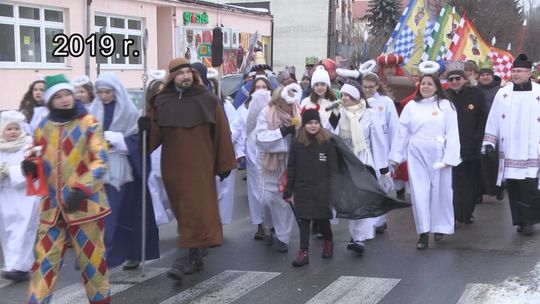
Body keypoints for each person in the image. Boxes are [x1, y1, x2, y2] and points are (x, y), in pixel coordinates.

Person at [141, 57, 236, 281]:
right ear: (173, 77)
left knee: (194, 209)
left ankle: (181, 259)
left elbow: (222, 133)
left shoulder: (208, 99)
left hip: (201, 165)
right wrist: (144, 130)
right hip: (173, 169)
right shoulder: (161, 101)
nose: (185, 76)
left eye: (188, 72)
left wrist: (225, 163)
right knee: (185, 214)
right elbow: (151, 140)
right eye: (180, 73)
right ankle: (195, 257)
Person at [24, 74, 111, 303]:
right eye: (58, 96)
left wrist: (83, 188)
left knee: (92, 265)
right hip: (52, 209)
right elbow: (38, 162)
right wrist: (30, 167)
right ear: (50, 101)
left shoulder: (89, 123)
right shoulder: (43, 128)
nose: (64, 100)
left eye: (67, 94)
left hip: (85, 206)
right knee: (43, 264)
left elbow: (100, 160)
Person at [90, 72, 160, 270]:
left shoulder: (130, 113)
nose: (104, 96)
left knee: (126, 215)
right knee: (103, 217)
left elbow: (139, 142)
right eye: (101, 92)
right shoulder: (92, 113)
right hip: (99, 171)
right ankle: (99, 257)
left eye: (108, 92)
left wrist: (119, 140)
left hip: (125, 171)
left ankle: (133, 253)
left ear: (116, 92)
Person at [389, 74, 461, 250]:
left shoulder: (446, 106)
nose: (426, 87)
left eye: (429, 84)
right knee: (420, 192)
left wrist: (450, 157)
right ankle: (423, 232)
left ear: (437, 87)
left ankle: (440, 226)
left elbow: (453, 132)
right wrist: (396, 157)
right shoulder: (412, 106)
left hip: (439, 153)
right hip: (417, 153)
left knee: (441, 191)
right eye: (423, 84)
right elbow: (402, 132)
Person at [327, 82, 389, 254]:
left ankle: (359, 238)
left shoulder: (369, 114)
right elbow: (330, 135)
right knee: (351, 200)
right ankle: (355, 236)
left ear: (356, 96)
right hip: (346, 161)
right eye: (343, 95)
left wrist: (383, 167)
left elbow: (377, 140)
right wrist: (332, 116)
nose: (344, 98)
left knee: (362, 199)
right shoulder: (340, 114)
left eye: (348, 95)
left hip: (364, 160)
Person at [482, 54, 540, 236]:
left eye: (519, 71)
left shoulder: (538, 92)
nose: (515, 74)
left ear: (528, 72)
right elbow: (493, 118)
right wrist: (489, 142)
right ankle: (520, 221)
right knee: (514, 186)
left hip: (532, 148)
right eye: (513, 71)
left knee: (530, 185)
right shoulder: (503, 93)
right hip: (510, 149)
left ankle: (530, 220)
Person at [284, 109, 339, 267]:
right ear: (304, 125)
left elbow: (333, 169)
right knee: (304, 220)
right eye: (309, 123)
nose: (313, 126)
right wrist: (289, 189)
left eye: (316, 123)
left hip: (323, 188)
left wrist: (333, 189)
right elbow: (292, 167)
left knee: (322, 219)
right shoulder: (297, 145)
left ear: (320, 124)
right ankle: (304, 252)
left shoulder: (327, 144)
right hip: (303, 188)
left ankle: (328, 241)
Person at [255, 83, 303, 253]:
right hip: (270, 163)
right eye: (286, 104)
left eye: (292, 104)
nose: (290, 107)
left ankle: (283, 238)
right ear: (278, 101)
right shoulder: (267, 113)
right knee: (267, 199)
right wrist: (282, 132)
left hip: (290, 162)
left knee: (285, 201)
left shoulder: (298, 112)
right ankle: (268, 227)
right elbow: (260, 138)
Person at [445, 62, 488, 224]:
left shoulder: (476, 95)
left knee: (469, 181)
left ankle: (467, 212)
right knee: (453, 182)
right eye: (451, 79)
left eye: (457, 78)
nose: (454, 81)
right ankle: (455, 212)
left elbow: (483, 118)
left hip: (471, 146)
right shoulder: (444, 96)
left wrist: (477, 138)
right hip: (450, 147)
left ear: (464, 79)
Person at [0, 110, 38, 282]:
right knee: (8, 230)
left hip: (25, 195)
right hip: (5, 194)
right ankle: (14, 264)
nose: (13, 132)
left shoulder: (28, 146)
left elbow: (32, 168)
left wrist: (13, 172)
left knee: (23, 229)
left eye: (16, 128)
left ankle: (18, 266)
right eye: (9, 129)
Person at [362, 72, 400, 233]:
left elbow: (394, 128)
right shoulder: (359, 101)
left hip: (383, 150)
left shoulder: (386, 102)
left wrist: (394, 154)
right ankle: (370, 221)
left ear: (377, 86)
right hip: (365, 151)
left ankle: (380, 219)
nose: (368, 90)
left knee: (382, 185)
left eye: (371, 87)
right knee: (368, 187)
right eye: (365, 87)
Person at [243, 76, 274, 240]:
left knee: (270, 193)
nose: (261, 90)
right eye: (257, 87)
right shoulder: (245, 108)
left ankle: (273, 223)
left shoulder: (274, 109)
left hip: (271, 157)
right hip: (252, 155)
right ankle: (260, 224)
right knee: (255, 193)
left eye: (264, 87)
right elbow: (240, 129)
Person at [475, 59, 505, 201]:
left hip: (497, 130)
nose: (485, 77)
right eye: (482, 74)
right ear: (478, 76)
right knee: (479, 162)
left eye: (487, 74)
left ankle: (498, 188)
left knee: (496, 160)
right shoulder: (474, 91)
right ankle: (479, 192)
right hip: (479, 130)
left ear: (492, 75)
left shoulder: (501, 91)